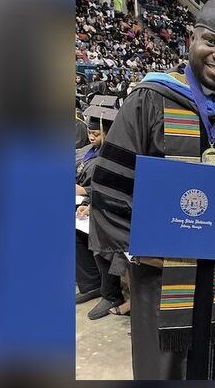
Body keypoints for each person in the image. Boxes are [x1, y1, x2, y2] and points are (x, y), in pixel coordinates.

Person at [88, 0, 215, 380]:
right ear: (191, 38)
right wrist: (138, 248)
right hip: (162, 278)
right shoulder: (151, 99)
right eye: (211, 41)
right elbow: (108, 188)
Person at [75, 106, 130, 318]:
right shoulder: (89, 153)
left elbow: (118, 187)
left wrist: (90, 199)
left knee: (103, 238)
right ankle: (91, 284)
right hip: (98, 204)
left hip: (118, 212)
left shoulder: (119, 153)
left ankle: (112, 294)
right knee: (77, 232)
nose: (91, 136)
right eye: (89, 132)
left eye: (96, 133)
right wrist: (89, 201)